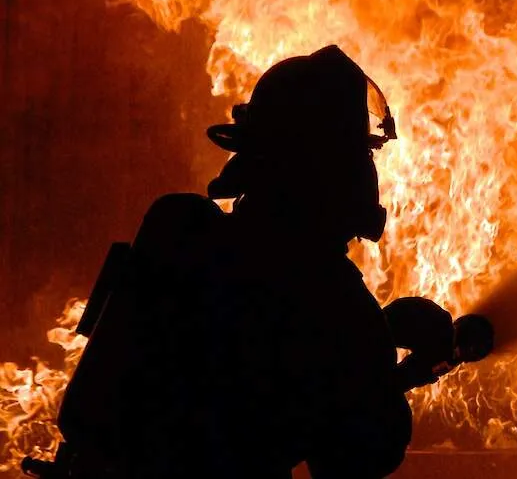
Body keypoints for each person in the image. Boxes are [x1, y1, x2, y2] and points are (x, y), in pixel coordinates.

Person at [32, 45, 410, 479]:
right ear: (332, 169)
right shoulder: (336, 303)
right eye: (362, 154)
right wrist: (385, 369)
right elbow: (359, 457)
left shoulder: (181, 231)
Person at [383, 297, 494, 392]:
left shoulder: (441, 322)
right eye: (471, 355)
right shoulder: (441, 338)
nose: (464, 362)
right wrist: (430, 372)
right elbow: (398, 382)